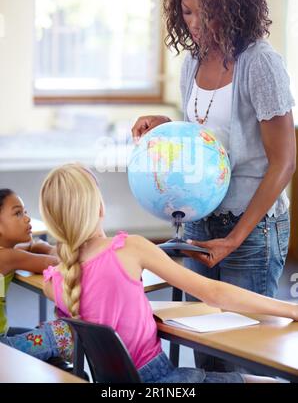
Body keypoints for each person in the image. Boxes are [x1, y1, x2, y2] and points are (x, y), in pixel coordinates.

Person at [131, 0, 296, 371]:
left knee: (243, 351)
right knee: (204, 349)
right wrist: (164, 123)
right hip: (204, 223)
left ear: (235, 7)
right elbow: (208, 136)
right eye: (187, 13)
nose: (196, 24)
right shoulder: (192, 61)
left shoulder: (260, 64)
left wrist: (236, 238)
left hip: (253, 230)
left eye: (207, 13)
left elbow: (284, 160)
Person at [4, 163, 296, 383]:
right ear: (98, 206)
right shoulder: (130, 248)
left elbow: (103, 304)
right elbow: (215, 293)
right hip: (164, 383)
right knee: (271, 382)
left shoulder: (55, 280)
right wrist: (288, 309)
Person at [0, 188, 58, 336]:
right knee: (61, 337)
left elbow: (32, 246)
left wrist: (41, 246)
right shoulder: (7, 257)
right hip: (2, 343)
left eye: (25, 212)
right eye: (18, 213)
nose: (27, 218)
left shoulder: (7, 252)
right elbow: (52, 263)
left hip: (4, 333)